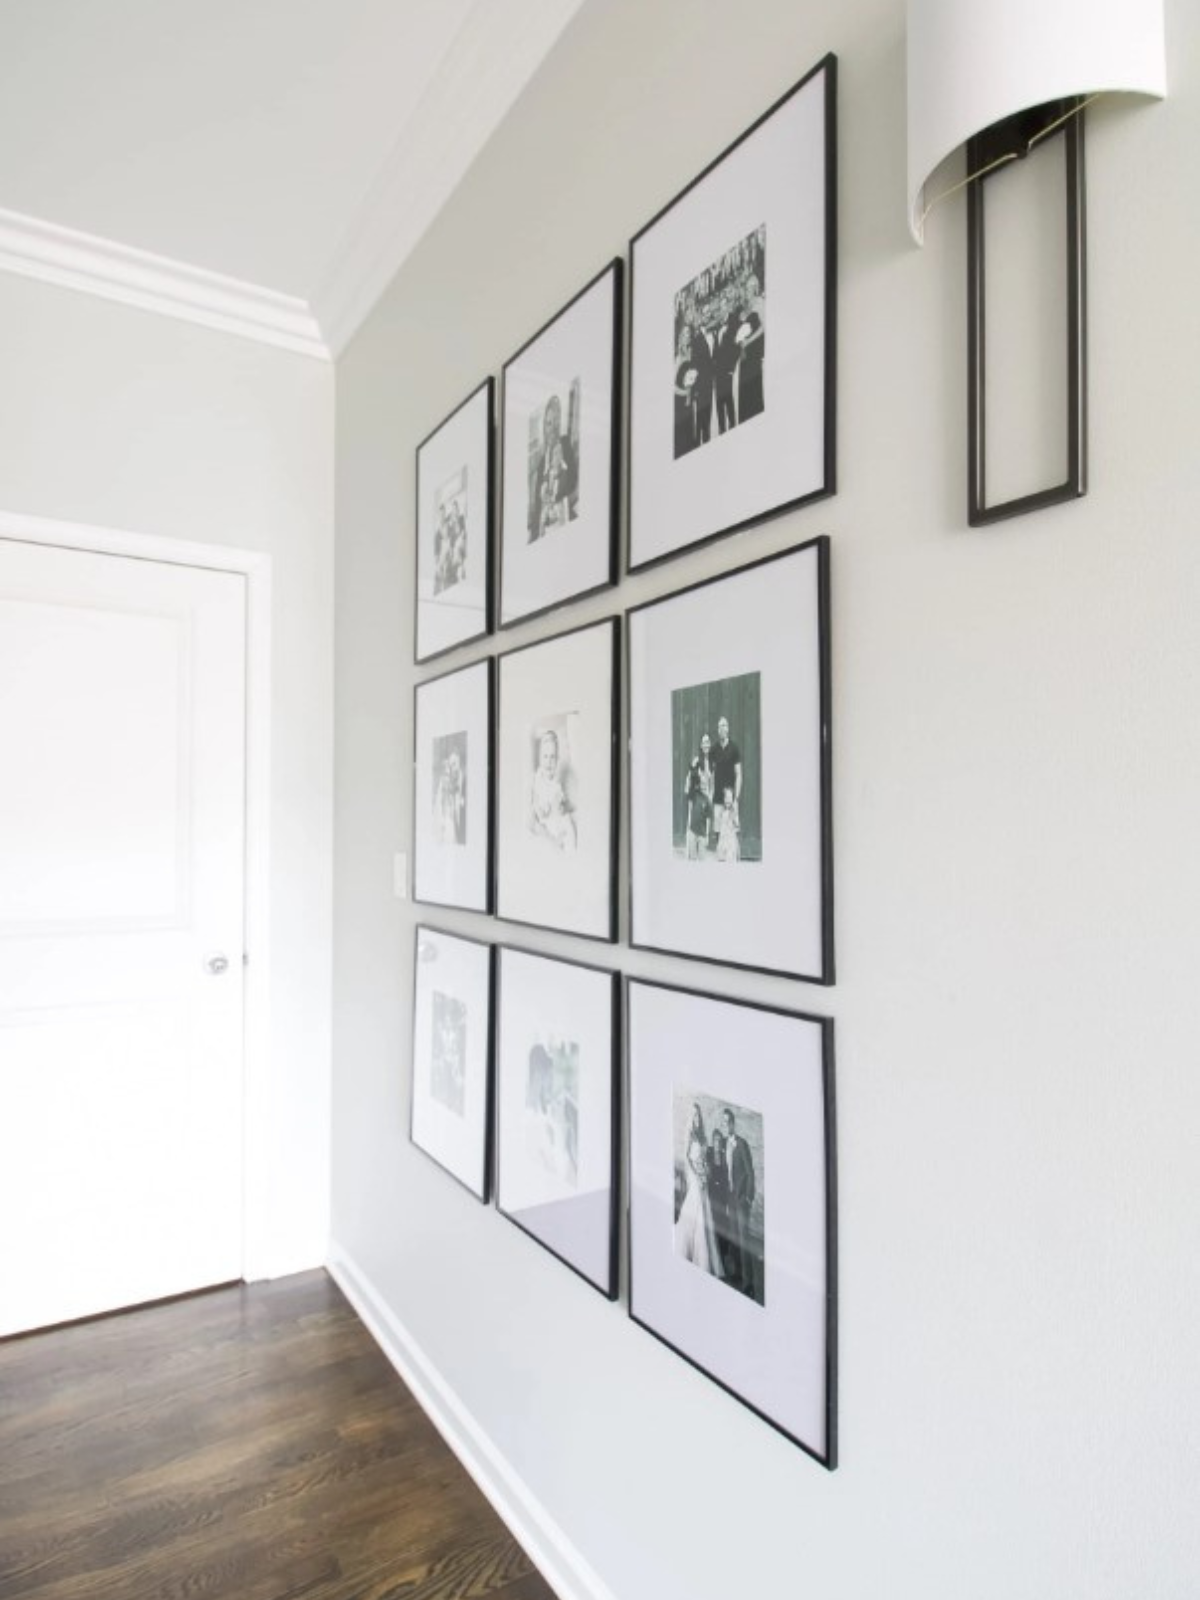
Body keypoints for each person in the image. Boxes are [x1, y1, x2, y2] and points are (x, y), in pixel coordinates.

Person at [675, 1103, 724, 1278]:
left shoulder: (703, 1136)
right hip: (695, 1177)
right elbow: (688, 1158)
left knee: (705, 1212)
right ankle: (691, 1253)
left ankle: (706, 1257)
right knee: (696, 1209)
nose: (696, 1119)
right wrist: (697, 1175)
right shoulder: (690, 1134)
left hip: (703, 1176)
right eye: (694, 1115)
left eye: (698, 1116)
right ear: (691, 1117)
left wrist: (707, 1172)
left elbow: (704, 1158)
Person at [529, 394, 577, 539]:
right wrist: (534, 535)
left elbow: (573, 483)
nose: (552, 428)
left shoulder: (565, 445)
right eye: (548, 423)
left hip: (563, 521)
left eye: (556, 422)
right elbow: (537, 507)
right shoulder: (541, 462)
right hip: (545, 527)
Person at [721, 1108, 756, 1294]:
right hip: (731, 1200)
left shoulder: (741, 1144)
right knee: (734, 1238)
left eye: (728, 1122)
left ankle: (749, 1282)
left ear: (733, 1124)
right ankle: (737, 1274)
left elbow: (750, 1173)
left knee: (744, 1242)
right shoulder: (726, 1144)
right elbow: (727, 1175)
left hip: (742, 1200)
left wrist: (748, 1198)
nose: (725, 1125)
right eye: (723, 1122)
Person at [529, 728, 576, 851]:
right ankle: (554, 841)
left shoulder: (556, 781)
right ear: (540, 759)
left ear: (557, 760)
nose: (549, 762)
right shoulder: (538, 779)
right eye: (545, 756)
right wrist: (541, 809)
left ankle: (567, 844)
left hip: (555, 818)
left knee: (568, 822)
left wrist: (561, 806)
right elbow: (535, 801)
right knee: (539, 827)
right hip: (543, 819)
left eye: (552, 757)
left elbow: (561, 801)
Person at [734, 274, 765, 423]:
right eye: (747, 286)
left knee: (754, 391)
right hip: (744, 356)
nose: (750, 288)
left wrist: (749, 341)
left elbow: (764, 328)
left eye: (753, 285)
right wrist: (740, 342)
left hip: (754, 353)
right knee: (744, 393)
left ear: (756, 287)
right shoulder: (744, 308)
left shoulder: (760, 302)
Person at [711, 717, 742, 858]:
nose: (722, 729)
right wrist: (710, 792)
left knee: (732, 832)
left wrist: (736, 798)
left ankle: (734, 861)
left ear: (728, 728)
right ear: (718, 730)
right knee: (718, 832)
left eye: (724, 726)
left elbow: (739, 774)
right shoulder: (714, 749)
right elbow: (710, 773)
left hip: (730, 800)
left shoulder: (734, 748)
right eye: (719, 726)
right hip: (717, 798)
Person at [713, 289, 741, 434]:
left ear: (729, 306)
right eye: (720, 306)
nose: (722, 308)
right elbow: (716, 351)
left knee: (728, 399)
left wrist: (732, 368)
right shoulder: (718, 326)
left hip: (728, 370)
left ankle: (732, 428)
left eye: (725, 305)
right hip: (717, 371)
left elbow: (737, 346)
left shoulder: (734, 320)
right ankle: (722, 430)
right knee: (719, 402)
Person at [683, 731, 714, 858]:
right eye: (703, 742)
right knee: (691, 825)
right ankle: (689, 854)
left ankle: (701, 856)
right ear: (700, 745)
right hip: (695, 798)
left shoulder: (712, 763)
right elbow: (689, 778)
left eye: (708, 742)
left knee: (703, 832)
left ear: (710, 745)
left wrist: (709, 799)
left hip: (705, 800)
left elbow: (712, 783)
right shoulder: (696, 760)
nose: (706, 745)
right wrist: (689, 791)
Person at [673, 322, 701, 457]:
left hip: (688, 403)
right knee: (680, 439)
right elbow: (671, 386)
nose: (687, 336)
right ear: (679, 336)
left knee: (689, 434)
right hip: (678, 403)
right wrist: (685, 393)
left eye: (689, 334)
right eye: (684, 334)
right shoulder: (677, 357)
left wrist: (692, 392)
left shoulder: (690, 353)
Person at [433, 747, 465, 845]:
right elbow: (442, 800)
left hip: (455, 818)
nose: (451, 768)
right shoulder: (446, 781)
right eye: (450, 765)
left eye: (453, 764)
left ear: (459, 761)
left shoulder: (461, 777)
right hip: (448, 816)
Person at [714, 785, 740, 862]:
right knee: (721, 859)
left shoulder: (734, 813)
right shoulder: (722, 812)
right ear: (723, 799)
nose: (728, 800)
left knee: (730, 859)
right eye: (726, 798)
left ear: (733, 799)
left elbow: (737, 828)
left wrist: (734, 816)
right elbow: (719, 828)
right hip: (722, 841)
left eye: (730, 798)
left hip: (731, 842)